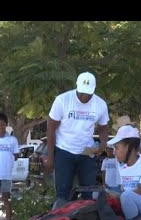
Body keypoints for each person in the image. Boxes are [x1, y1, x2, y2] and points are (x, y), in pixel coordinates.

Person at [45, 72, 109, 202]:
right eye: (81, 92)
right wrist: (51, 156)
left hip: (87, 152)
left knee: (88, 192)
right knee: (63, 193)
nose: (84, 96)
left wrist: (103, 143)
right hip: (64, 150)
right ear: (77, 87)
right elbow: (51, 129)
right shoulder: (62, 100)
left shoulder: (100, 104)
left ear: (94, 90)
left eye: (88, 93)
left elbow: (104, 127)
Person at [107, 125, 141, 220]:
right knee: (100, 194)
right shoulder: (121, 165)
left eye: (117, 148)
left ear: (129, 147)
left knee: (126, 196)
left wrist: (118, 196)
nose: (114, 152)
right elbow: (124, 190)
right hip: (132, 200)